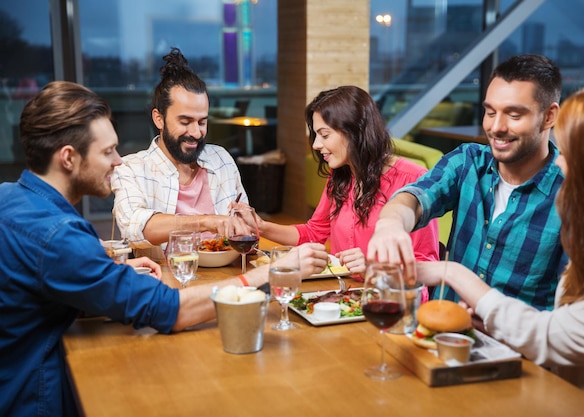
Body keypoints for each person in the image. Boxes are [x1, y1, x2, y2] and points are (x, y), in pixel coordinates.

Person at [0, 81, 328, 417]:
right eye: (107, 151)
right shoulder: (59, 236)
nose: (117, 161)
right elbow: (170, 310)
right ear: (68, 158)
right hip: (31, 397)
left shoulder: (11, 197)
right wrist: (274, 274)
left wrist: (106, 271)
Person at [413, 82, 584, 413]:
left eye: (568, 152)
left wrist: (451, 271)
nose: (559, 164)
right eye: (490, 111)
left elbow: (550, 336)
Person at [368, 54, 568, 310]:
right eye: (490, 112)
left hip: (516, 346)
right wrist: (390, 225)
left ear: (549, 116)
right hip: (443, 333)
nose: (496, 127)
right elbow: (416, 198)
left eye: (514, 115)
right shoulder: (469, 161)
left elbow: (569, 305)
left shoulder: (571, 192)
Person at [239, 85, 439, 279]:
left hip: (388, 303)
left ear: (354, 132)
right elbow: (313, 233)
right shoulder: (341, 177)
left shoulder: (414, 180)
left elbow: (426, 263)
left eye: (324, 135)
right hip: (342, 295)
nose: (316, 145)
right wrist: (261, 227)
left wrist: (373, 269)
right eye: (316, 135)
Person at [111, 47, 248, 260]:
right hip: (165, 284)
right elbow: (133, 228)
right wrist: (205, 222)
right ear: (159, 119)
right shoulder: (131, 168)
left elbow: (244, 222)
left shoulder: (221, 159)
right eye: (185, 122)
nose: (195, 133)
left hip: (226, 282)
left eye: (202, 122)